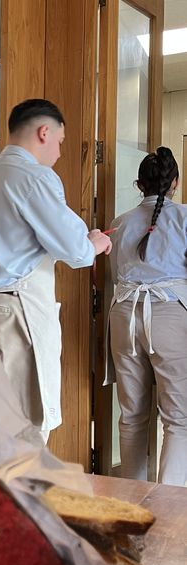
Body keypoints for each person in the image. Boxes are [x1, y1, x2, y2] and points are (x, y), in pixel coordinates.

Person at [0, 99, 111, 439]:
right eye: (60, 141)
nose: (59, 151)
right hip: (12, 315)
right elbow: (76, 250)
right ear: (44, 132)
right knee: (22, 432)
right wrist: (96, 242)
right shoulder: (34, 177)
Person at [107, 147, 187, 485]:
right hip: (168, 313)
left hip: (124, 317)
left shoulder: (120, 223)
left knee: (132, 416)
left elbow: (114, 275)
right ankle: (169, 511)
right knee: (179, 419)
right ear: (176, 183)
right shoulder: (184, 217)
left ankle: (131, 502)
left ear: (139, 184)